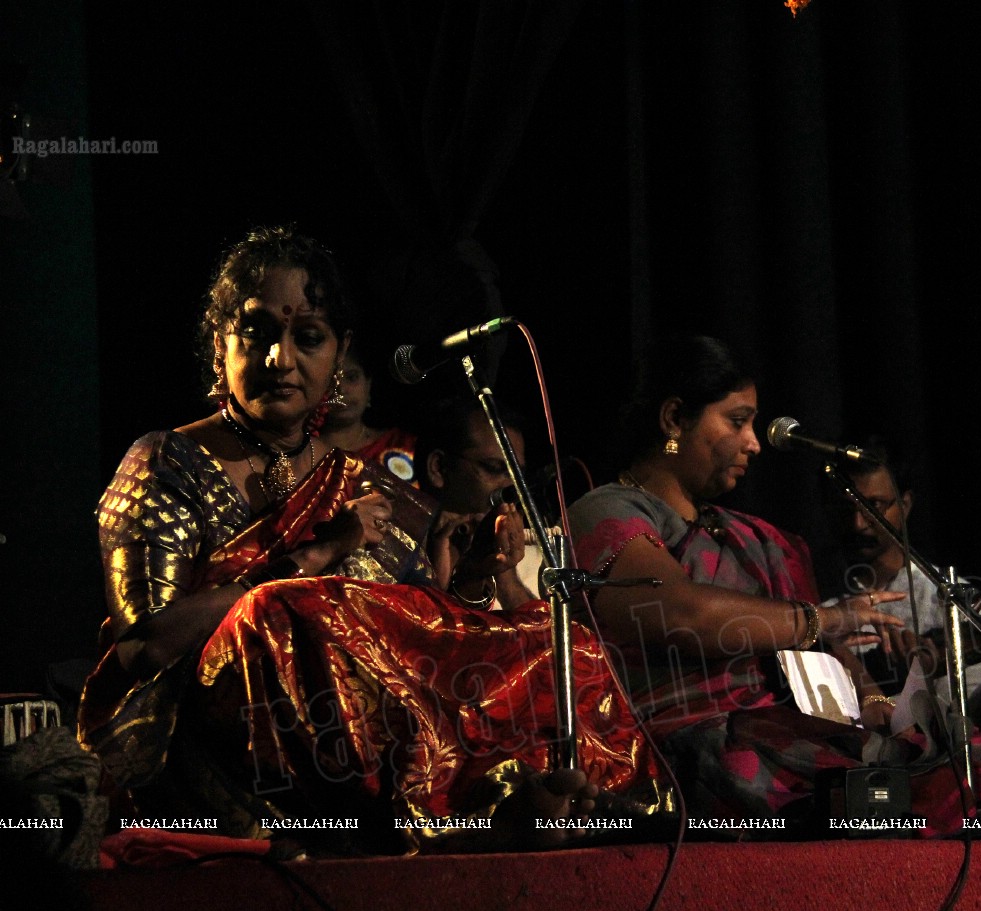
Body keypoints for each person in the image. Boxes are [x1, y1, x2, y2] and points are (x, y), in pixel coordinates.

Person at [77, 226, 667, 854]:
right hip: (206, 739)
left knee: (558, 640)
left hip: (353, 721)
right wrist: (312, 557)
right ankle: (443, 822)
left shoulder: (358, 478)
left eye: (308, 338)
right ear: (218, 341)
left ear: (339, 354)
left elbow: (397, 635)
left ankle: (580, 804)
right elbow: (143, 649)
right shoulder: (166, 460)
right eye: (256, 334)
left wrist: (468, 579)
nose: (281, 359)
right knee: (279, 611)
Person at [568, 334, 981, 833]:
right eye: (737, 421)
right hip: (700, 750)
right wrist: (824, 618)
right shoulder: (609, 510)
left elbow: (823, 654)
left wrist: (880, 707)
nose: (754, 443)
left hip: (794, 732)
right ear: (674, 418)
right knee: (918, 793)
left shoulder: (753, 539)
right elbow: (679, 613)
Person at [820, 439, 981, 709]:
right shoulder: (814, 592)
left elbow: (972, 699)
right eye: (846, 508)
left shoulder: (949, 595)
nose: (858, 523)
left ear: (905, 504)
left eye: (873, 505)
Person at [417, 397, 543, 610]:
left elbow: (550, 643)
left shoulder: (533, 559)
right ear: (438, 468)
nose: (512, 488)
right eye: (494, 468)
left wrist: (507, 580)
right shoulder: (394, 548)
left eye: (518, 477)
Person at [316, 344, 418, 485]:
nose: (341, 389)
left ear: (368, 384)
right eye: (330, 380)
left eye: (351, 377)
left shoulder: (400, 445)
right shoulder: (301, 458)